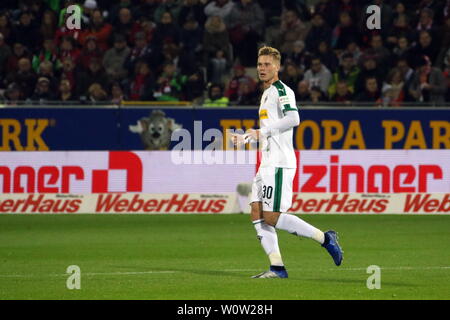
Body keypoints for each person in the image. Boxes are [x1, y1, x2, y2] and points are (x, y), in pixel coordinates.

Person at [231, 46, 343, 279]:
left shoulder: (283, 90)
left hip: (280, 163)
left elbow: (294, 118)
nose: (262, 68)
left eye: (267, 64)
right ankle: (277, 268)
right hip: (266, 162)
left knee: (271, 216)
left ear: (277, 66)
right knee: (256, 213)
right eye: (260, 64)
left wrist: (262, 132)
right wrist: (245, 137)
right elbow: (267, 129)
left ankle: (325, 238)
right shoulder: (266, 92)